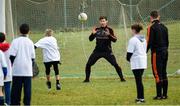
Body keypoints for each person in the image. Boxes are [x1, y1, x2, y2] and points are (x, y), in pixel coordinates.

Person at [84, 16, 126, 82]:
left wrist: (109, 35)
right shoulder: (97, 29)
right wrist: (93, 34)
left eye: (104, 21)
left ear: (106, 21)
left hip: (107, 51)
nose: (102, 22)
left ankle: (122, 78)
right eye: (101, 21)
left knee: (115, 64)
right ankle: (87, 80)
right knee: (88, 64)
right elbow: (90, 39)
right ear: (99, 22)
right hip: (97, 51)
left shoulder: (110, 30)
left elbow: (115, 40)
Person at [9, 24, 35, 105]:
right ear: (28, 31)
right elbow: (32, 58)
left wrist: (13, 64)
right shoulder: (30, 42)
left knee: (16, 90)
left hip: (17, 70)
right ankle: (27, 104)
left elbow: (12, 56)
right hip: (27, 70)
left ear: (19, 31)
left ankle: (15, 103)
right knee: (27, 90)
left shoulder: (15, 41)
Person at [147, 11, 169, 100]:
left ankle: (159, 95)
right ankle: (165, 94)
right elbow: (167, 41)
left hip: (156, 53)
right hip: (165, 51)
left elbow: (149, 41)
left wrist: (144, 51)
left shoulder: (151, 27)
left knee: (157, 74)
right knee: (164, 73)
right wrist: (165, 49)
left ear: (151, 17)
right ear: (158, 17)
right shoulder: (164, 27)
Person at [126, 24, 147, 103]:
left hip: (137, 62)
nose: (131, 31)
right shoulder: (143, 39)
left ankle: (141, 99)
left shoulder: (133, 40)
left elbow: (129, 53)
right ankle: (139, 97)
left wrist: (128, 59)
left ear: (134, 30)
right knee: (139, 80)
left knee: (138, 81)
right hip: (143, 61)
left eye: (131, 29)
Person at [0, 32, 12, 105]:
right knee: (7, 89)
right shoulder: (9, 47)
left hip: (1, 72)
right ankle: (8, 103)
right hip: (8, 71)